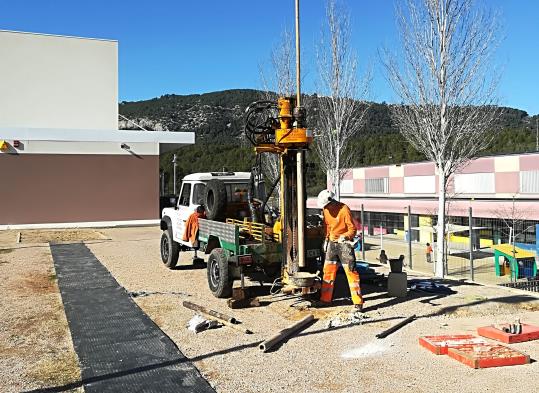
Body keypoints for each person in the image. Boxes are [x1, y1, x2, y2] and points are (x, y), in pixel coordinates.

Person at [317, 189, 364, 312]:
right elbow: (327, 226)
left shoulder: (344, 210)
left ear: (332, 201)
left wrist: (345, 236)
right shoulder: (325, 209)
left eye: (327, 205)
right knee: (328, 271)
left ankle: (358, 302)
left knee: (351, 271)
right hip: (332, 243)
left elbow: (352, 229)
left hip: (344, 244)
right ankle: (325, 299)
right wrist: (326, 240)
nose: (326, 208)